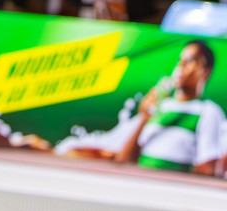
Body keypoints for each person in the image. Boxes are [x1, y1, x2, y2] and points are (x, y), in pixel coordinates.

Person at [35, 41, 224, 176]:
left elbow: (206, 169)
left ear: (204, 70)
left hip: (167, 189)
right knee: (66, 150)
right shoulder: (160, 107)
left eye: (189, 61)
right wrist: (143, 117)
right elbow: (124, 160)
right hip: (136, 181)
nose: (181, 66)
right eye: (180, 60)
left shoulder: (208, 112)